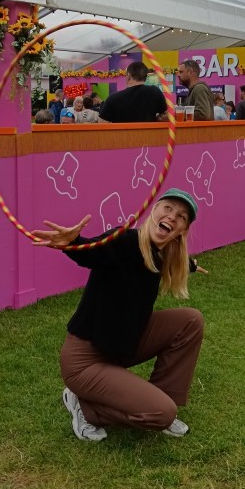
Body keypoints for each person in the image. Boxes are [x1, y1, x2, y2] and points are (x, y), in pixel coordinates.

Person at [32, 188, 207, 442]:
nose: (172, 217)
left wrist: (191, 264)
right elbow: (92, 252)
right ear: (154, 211)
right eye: (168, 208)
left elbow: (173, 261)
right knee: (161, 413)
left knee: (191, 320)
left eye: (181, 217)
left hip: (120, 346)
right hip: (85, 362)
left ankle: (161, 397)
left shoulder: (161, 255)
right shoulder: (125, 240)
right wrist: (73, 243)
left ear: (182, 230)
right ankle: (85, 406)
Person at [98, 61, 167, 123]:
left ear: (128, 77)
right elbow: (168, 116)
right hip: (148, 136)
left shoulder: (112, 98)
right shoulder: (155, 92)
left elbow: (102, 123)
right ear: (145, 78)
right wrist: (156, 119)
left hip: (121, 136)